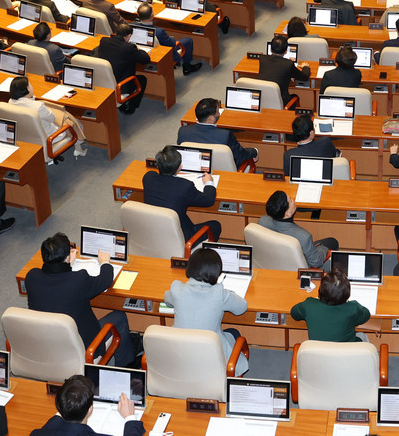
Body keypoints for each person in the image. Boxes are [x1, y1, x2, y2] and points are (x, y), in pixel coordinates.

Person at [24, 233, 137, 368]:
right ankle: (128, 366)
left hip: (47, 345)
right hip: (85, 348)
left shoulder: (31, 277)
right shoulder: (78, 280)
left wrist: (67, 265)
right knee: (120, 316)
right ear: (67, 257)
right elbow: (106, 280)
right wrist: (105, 262)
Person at [163, 247, 248, 375]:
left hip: (180, 354)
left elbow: (167, 299)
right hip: (211, 357)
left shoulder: (177, 289)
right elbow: (242, 308)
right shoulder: (219, 293)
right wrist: (229, 293)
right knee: (234, 333)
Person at [142, 146, 220, 242]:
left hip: (152, 233)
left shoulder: (148, 178)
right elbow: (209, 200)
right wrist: (209, 182)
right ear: (180, 167)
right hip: (180, 237)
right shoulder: (185, 186)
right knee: (216, 225)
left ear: (157, 166)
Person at [28, 373, 143, 436]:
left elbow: (51, 427)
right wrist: (129, 417)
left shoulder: (36, 434)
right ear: (90, 410)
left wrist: (67, 403)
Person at [258, 190, 335, 268]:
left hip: (273, 262)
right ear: (287, 213)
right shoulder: (303, 237)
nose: (293, 200)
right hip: (298, 269)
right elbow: (316, 262)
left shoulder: (263, 221)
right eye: (291, 200)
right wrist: (322, 247)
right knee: (333, 243)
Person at [291, 269, 371, 343]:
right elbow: (366, 314)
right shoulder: (353, 308)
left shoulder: (309, 305)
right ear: (347, 294)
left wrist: (316, 301)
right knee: (362, 336)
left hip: (318, 354)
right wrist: (353, 303)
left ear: (320, 290)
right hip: (346, 353)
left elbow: (294, 313)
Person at [178, 97, 257, 166]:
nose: (219, 114)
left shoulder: (183, 132)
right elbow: (241, 155)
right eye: (217, 111)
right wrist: (255, 151)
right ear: (210, 118)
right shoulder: (225, 135)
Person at [94, 25, 149, 114]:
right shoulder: (129, 48)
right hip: (120, 86)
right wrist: (138, 49)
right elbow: (145, 59)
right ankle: (131, 108)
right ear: (129, 36)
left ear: (116, 33)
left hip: (103, 81)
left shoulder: (104, 41)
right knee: (142, 79)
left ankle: (124, 105)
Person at [135, 4, 201, 76]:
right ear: (152, 15)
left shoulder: (131, 26)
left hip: (144, 52)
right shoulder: (159, 31)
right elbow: (172, 45)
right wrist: (171, 38)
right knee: (188, 40)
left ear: (138, 15)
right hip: (163, 55)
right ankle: (187, 67)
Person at [257, 35, 310, 108]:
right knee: (295, 96)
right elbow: (304, 77)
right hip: (282, 102)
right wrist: (306, 67)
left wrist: (288, 75)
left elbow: (274, 71)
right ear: (286, 51)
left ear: (271, 49)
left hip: (263, 100)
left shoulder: (262, 59)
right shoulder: (288, 64)